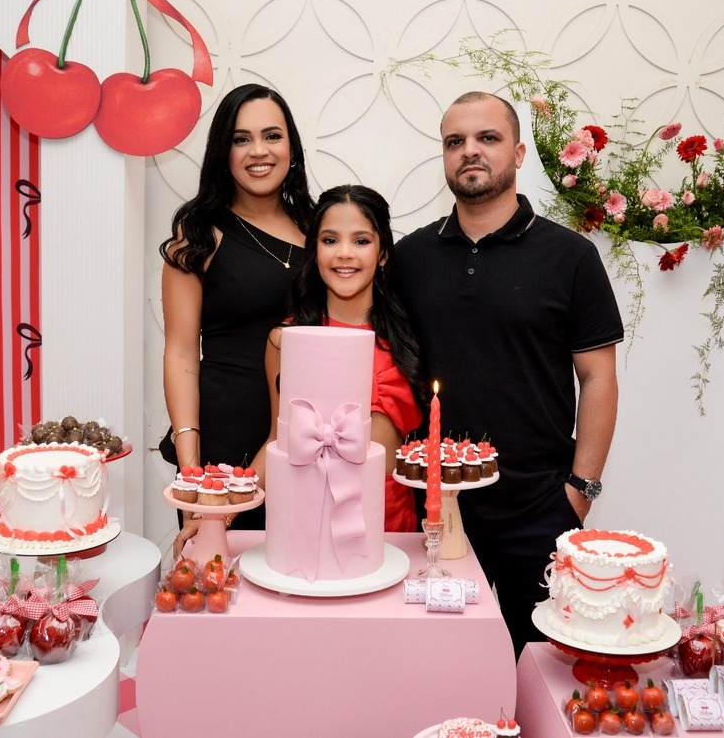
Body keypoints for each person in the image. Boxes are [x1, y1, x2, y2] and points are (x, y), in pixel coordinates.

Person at [394, 91, 622, 656]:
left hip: (538, 508)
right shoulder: (409, 258)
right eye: (455, 141)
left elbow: (598, 378)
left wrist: (580, 492)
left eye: (487, 138)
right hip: (433, 509)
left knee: (539, 664)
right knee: (437, 665)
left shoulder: (571, 257)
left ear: (519, 153)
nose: (470, 150)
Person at [161, 84, 315, 550]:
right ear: (222, 152)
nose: (258, 151)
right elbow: (181, 353)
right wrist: (192, 473)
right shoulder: (199, 234)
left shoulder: (321, 228)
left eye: (272, 135)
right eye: (241, 139)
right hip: (224, 446)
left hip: (311, 442)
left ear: (292, 147)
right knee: (217, 579)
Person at [266, 184, 425, 530]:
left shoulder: (407, 335)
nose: (344, 254)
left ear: (383, 254)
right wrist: (220, 511)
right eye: (330, 240)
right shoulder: (285, 339)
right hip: (309, 518)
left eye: (361, 241)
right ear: (315, 250)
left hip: (391, 521)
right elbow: (276, 440)